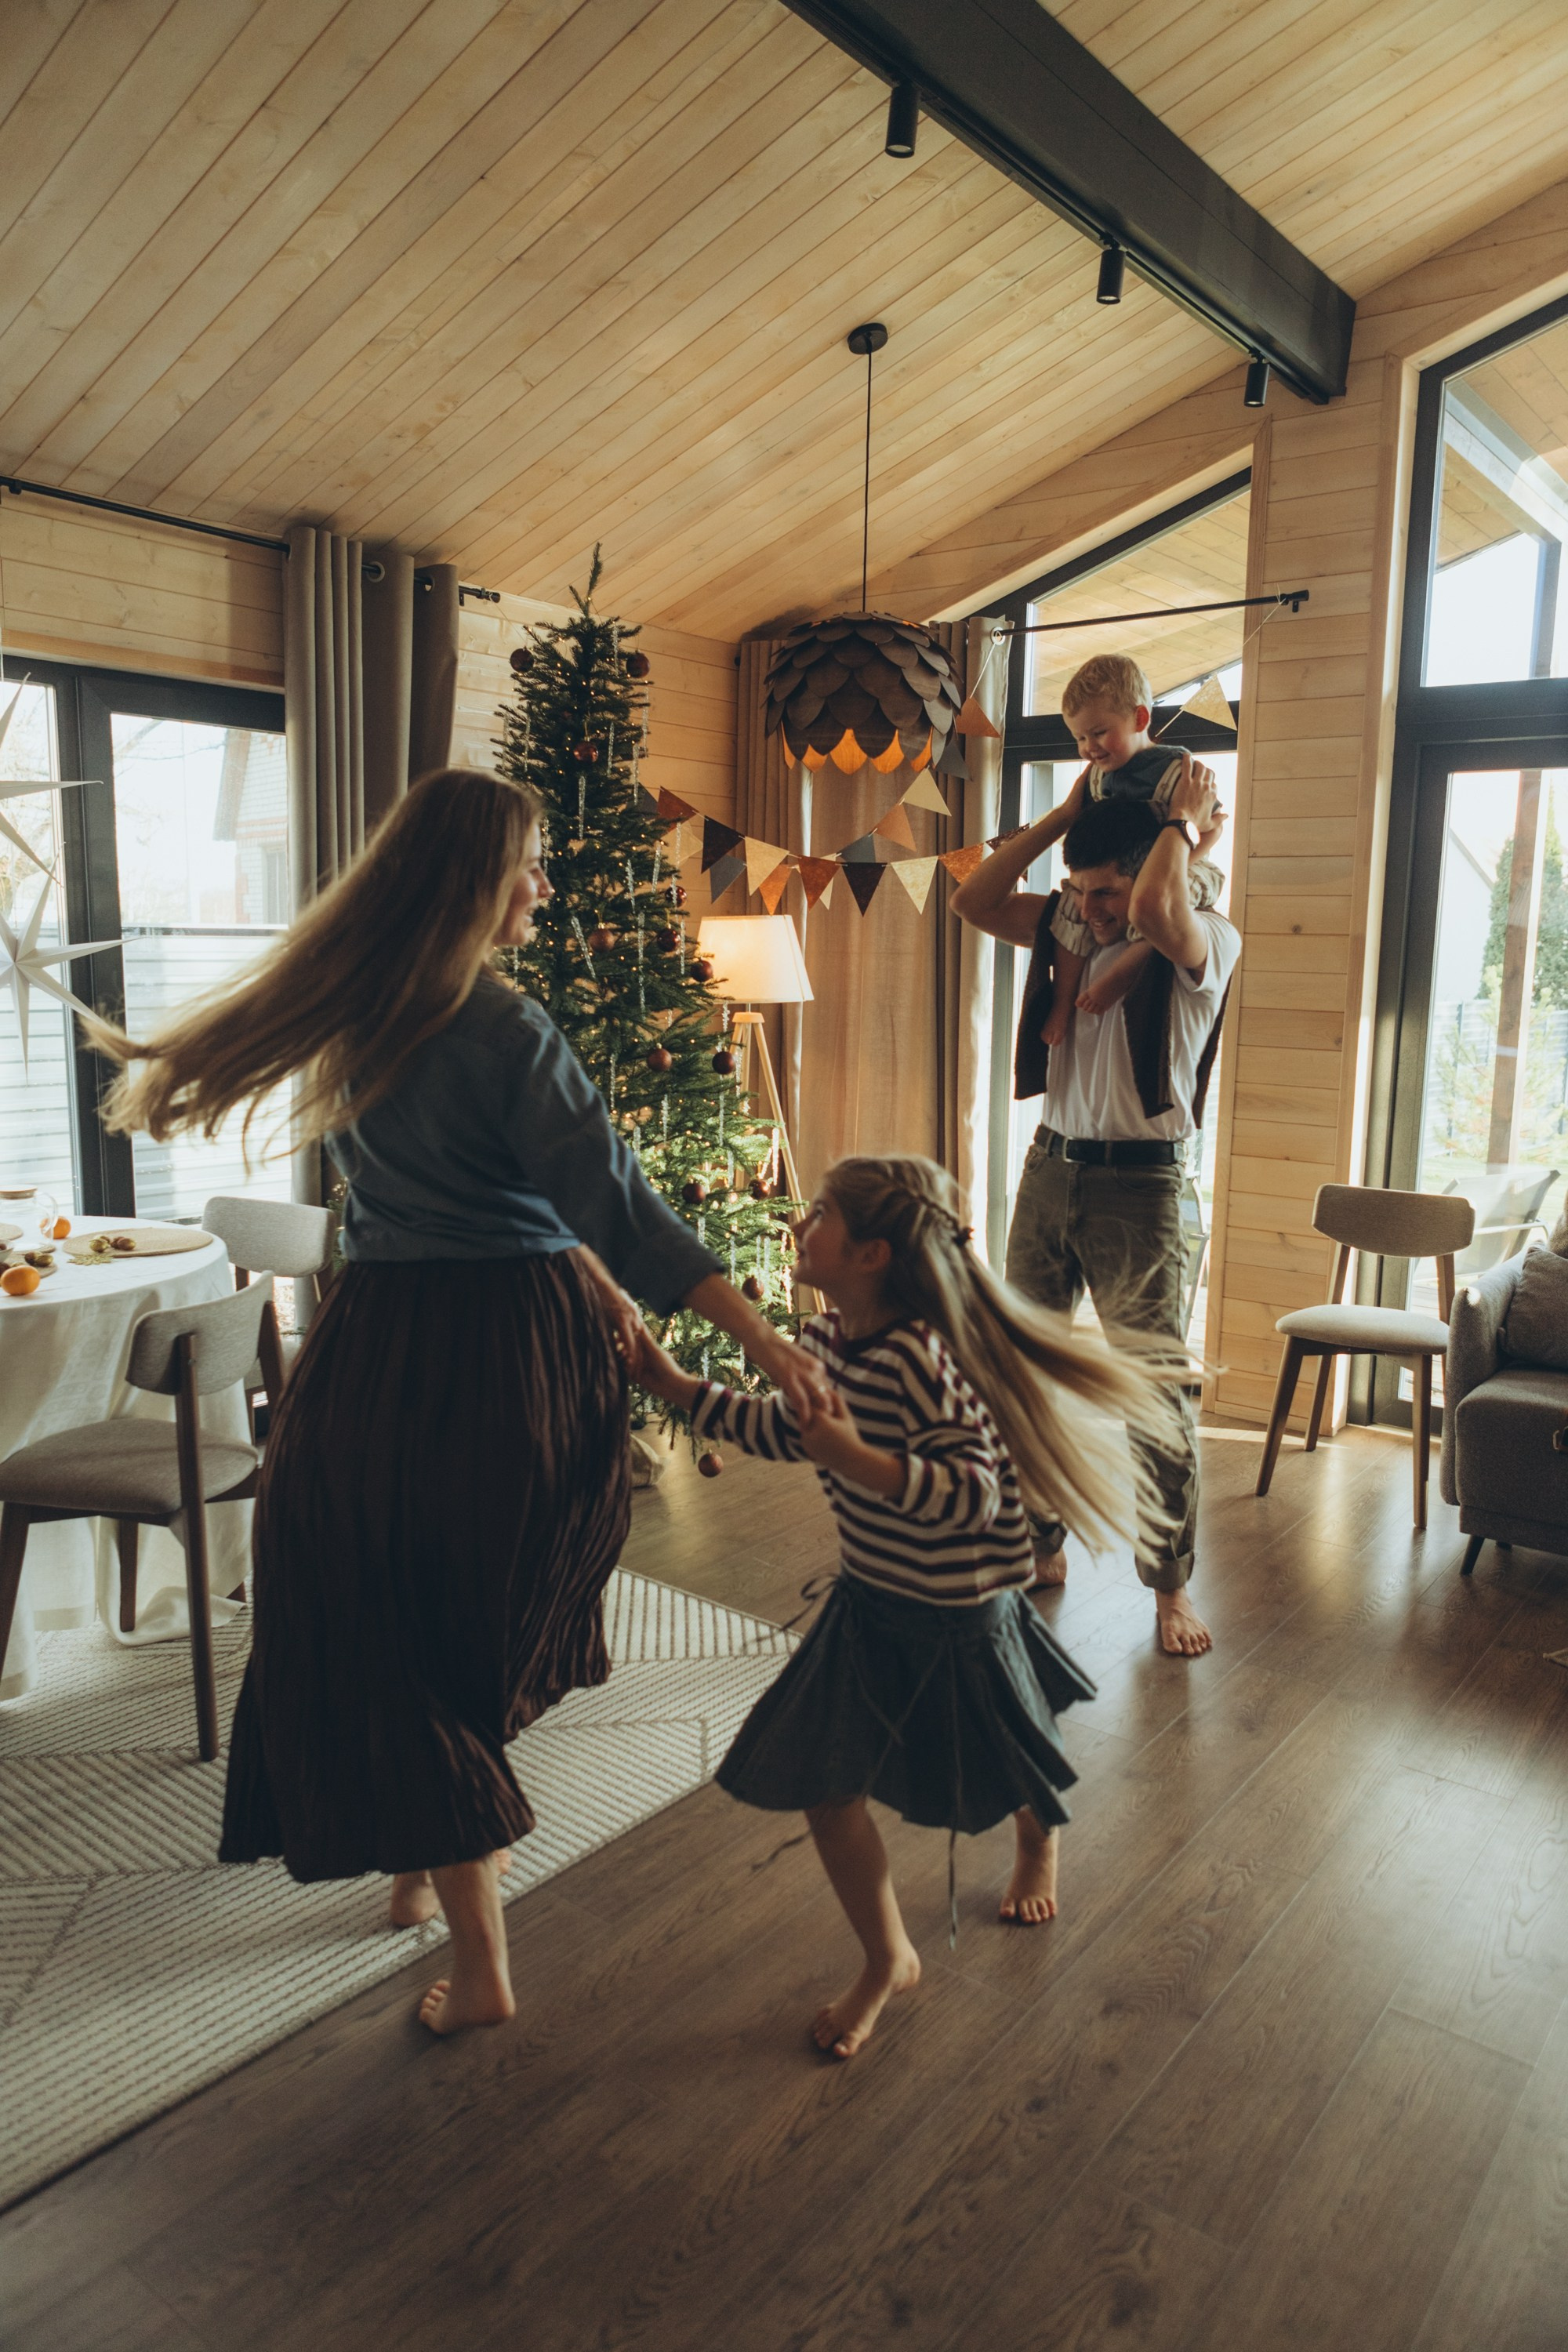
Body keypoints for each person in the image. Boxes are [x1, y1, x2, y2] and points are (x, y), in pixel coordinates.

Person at [93, 769, 830, 2037]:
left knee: (384, 1613)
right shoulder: (465, 1022)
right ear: (473, 883)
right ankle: (426, 1857)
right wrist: (755, 1332)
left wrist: (698, 1315)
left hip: (418, 1347)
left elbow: (581, 1206)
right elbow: (604, 1199)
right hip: (472, 1349)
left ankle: (467, 1933)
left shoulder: (379, 1011)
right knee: (401, 1613)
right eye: (527, 865)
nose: (541, 886)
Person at [628, 1153, 1173, 2060]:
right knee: (825, 1790)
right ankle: (888, 1958)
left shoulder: (921, 1360)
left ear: (870, 1253)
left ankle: (1036, 1840)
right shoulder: (822, 1342)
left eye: (819, 1214)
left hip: (959, 1614)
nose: (799, 1224)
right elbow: (787, 1430)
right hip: (870, 1603)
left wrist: (859, 1462)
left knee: (1008, 1752)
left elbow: (976, 1494)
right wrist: (674, 1387)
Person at [950, 762, 1239, 1658]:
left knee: (1153, 1399)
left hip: (1141, 1191)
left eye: (1105, 890)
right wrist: (1059, 821)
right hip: (1048, 1171)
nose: (1094, 909)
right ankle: (1039, 1545)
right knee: (1021, 1373)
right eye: (1079, 892)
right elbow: (970, 900)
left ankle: (1168, 1588)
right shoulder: (1070, 923)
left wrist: (1182, 827)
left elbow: (1155, 905)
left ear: (1150, 871)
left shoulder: (1204, 937)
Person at [1035, 655, 1227, 1046]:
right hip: (1121, 878)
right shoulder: (1096, 779)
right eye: (1080, 738)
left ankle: (1121, 974)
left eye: (1099, 733)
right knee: (1070, 907)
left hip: (1186, 867)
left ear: (1140, 719)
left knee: (1160, 906)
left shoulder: (1177, 771)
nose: (1089, 748)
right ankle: (1062, 1001)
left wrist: (1173, 871)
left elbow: (1212, 830)